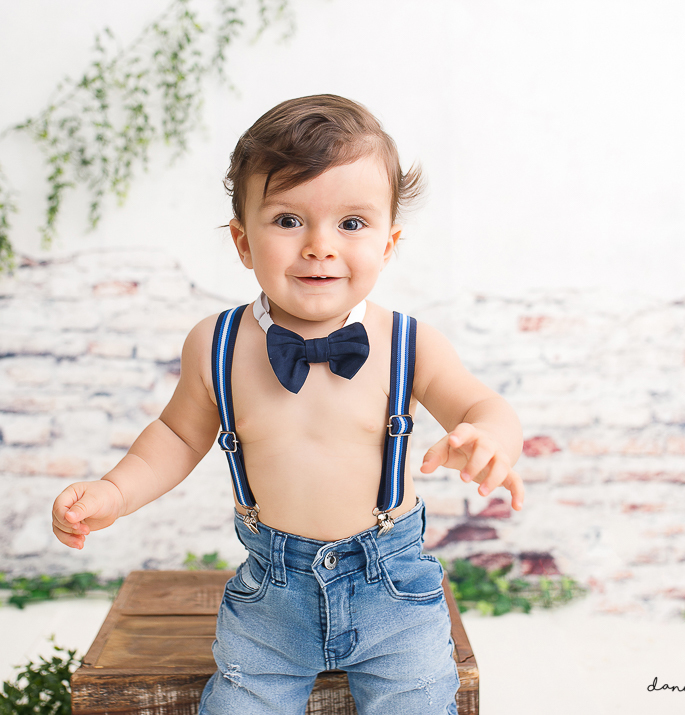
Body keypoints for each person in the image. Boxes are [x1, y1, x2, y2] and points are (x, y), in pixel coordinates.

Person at [52, 94, 525, 715]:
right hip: (272, 600)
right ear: (243, 242)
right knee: (240, 705)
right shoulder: (217, 344)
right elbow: (177, 436)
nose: (319, 246)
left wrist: (490, 437)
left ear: (388, 243)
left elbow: (483, 405)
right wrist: (115, 491)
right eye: (288, 220)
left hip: (393, 594)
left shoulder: (408, 343)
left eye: (351, 224)